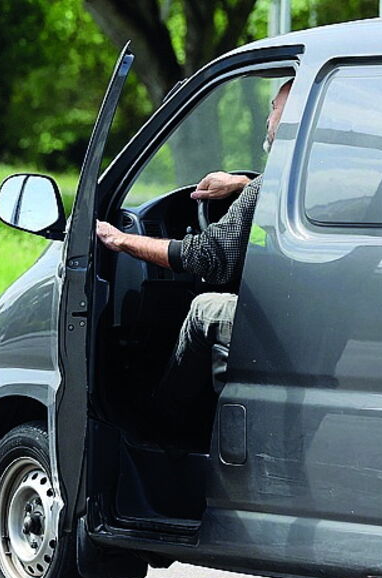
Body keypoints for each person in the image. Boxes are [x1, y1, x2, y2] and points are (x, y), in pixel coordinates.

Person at [96, 79, 292, 435]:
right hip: (307, 319)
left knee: (205, 307)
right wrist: (241, 183)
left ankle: (162, 425)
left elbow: (207, 256)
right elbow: (277, 192)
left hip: (284, 326)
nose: (268, 117)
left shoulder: (269, 187)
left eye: (275, 108)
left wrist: (121, 239)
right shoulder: (308, 178)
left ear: (293, 118)